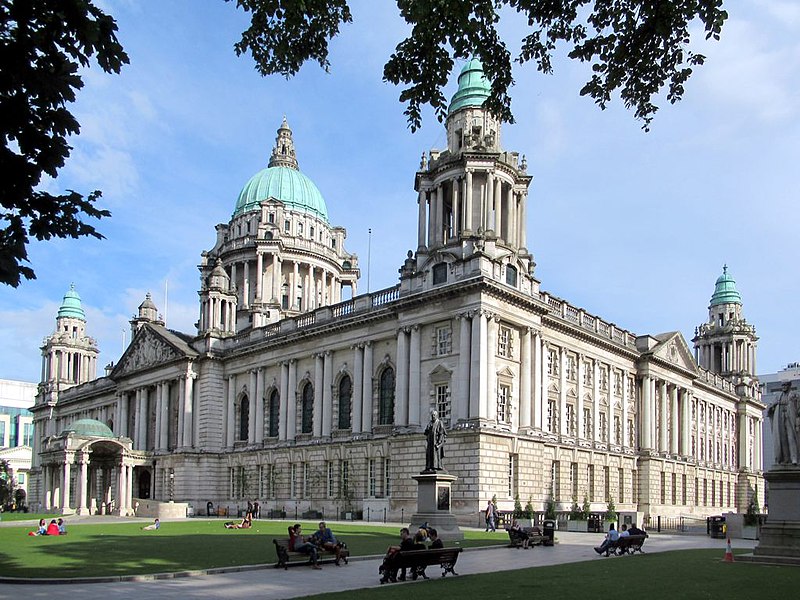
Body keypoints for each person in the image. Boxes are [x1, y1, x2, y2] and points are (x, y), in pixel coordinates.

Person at [767, 381, 800, 465]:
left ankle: (794, 458)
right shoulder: (778, 396)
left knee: (791, 438)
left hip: (790, 418)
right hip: (780, 418)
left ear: (789, 386)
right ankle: (785, 459)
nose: (783, 387)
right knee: (782, 439)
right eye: (782, 385)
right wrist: (772, 407)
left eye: (785, 385)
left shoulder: (795, 395)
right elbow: (770, 407)